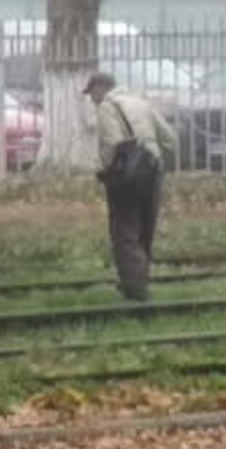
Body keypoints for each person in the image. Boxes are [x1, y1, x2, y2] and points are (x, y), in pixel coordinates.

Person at [85, 72, 176, 301]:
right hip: (152, 170)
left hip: (126, 176)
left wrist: (108, 172)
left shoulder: (107, 107)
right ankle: (139, 281)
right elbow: (171, 140)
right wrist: (156, 161)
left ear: (100, 88)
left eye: (92, 93)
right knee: (145, 229)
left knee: (125, 232)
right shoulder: (140, 102)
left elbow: (114, 145)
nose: (92, 99)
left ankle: (135, 293)